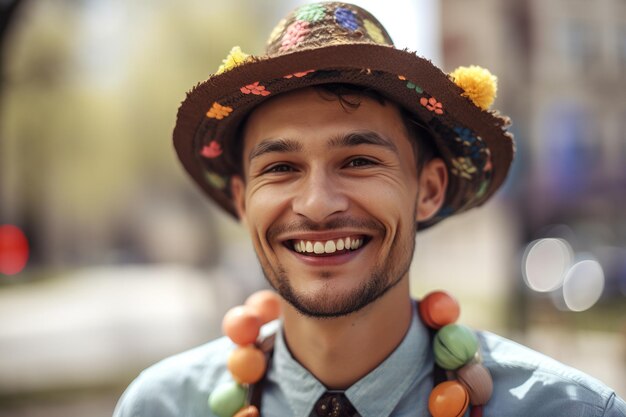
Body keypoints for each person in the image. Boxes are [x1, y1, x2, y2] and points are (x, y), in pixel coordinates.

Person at [113, 2, 626, 417]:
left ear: (427, 189)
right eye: (281, 168)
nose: (316, 205)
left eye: (358, 161)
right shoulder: (160, 406)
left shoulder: (565, 410)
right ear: (243, 201)